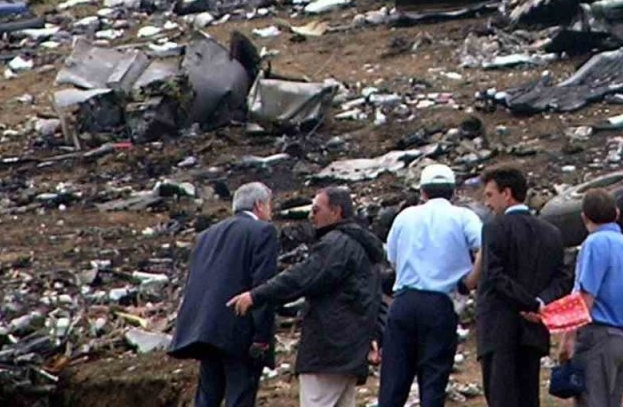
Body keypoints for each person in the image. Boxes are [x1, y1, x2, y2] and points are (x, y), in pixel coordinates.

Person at [228, 187, 384, 407]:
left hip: (328, 352)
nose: (311, 215)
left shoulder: (335, 245)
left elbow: (301, 277)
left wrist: (256, 295)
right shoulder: (362, 248)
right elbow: (374, 297)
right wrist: (376, 334)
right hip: (351, 352)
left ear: (336, 211)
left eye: (316, 209)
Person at [378, 164, 483, 407]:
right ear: (453, 192)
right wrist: (469, 282)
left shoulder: (404, 217)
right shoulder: (464, 216)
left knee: (393, 384)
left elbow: (392, 258)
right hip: (440, 305)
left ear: (423, 192)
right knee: (433, 383)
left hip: (404, 303)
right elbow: (485, 248)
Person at [169, 182, 279, 407]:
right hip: (240, 331)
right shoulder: (263, 232)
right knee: (239, 397)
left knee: (207, 396)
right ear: (259, 205)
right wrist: (262, 337)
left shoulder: (207, 235)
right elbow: (262, 287)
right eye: (269, 205)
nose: (271, 211)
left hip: (205, 330)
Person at [475, 166, 573, 407]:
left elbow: (495, 276)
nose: (487, 203)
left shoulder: (494, 228)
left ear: (506, 194)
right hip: (533, 332)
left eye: (490, 195)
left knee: (501, 398)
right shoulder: (550, 232)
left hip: (499, 330)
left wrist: (528, 303)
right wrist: (540, 303)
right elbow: (562, 278)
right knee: (528, 397)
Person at [559, 189, 623, 407]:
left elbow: (585, 296)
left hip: (598, 337)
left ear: (584, 217)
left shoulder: (594, 243)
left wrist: (568, 338)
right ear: (617, 214)